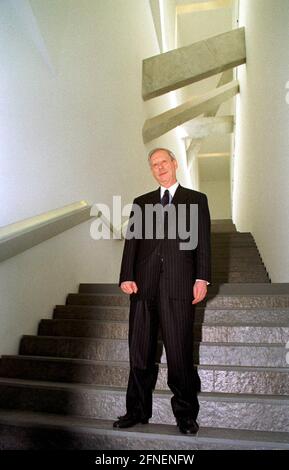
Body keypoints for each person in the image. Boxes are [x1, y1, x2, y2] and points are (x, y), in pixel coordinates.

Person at [113, 148, 211, 434]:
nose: (159, 168)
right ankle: (137, 411)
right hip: (144, 286)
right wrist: (126, 275)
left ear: (175, 164)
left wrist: (202, 278)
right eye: (154, 165)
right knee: (140, 353)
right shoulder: (141, 203)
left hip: (179, 285)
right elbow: (132, 241)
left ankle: (185, 415)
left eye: (163, 162)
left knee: (179, 354)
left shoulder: (196, 200)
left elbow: (203, 242)